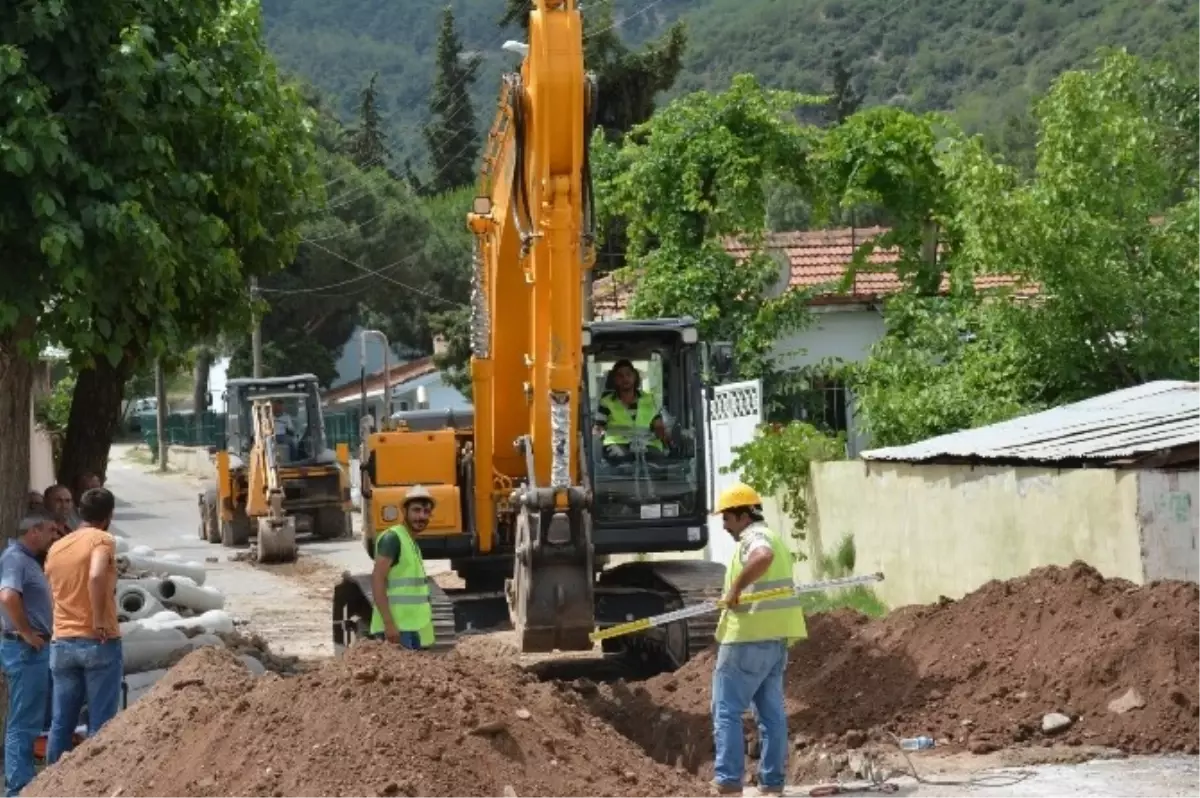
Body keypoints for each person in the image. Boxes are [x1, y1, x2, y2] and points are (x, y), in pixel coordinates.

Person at [708, 483, 807, 796]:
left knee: (726, 710)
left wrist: (735, 589)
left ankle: (727, 782)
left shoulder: (756, 537)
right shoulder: (774, 536)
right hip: (775, 638)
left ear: (742, 516)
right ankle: (772, 784)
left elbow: (762, 557)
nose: (724, 525)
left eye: (726, 518)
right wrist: (733, 590)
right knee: (771, 715)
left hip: (747, 637)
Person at [43, 487, 123, 764]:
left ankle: (52, 786)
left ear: (80, 512)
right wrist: (99, 619)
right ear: (109, 515)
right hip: (97, 641)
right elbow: (97, 574)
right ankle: (97, 783)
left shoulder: (57, 546)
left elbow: (51, 592)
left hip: (62, 642)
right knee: (101, 724)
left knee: (61, 722)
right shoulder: (102, 539)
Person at [0, 514, 56, 797]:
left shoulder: (25, 559)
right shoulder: (15, 559)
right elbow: (8, 596)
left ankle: (24, 781)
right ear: (34, 531)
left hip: (31, 649)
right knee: (22, 722)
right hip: (24, 650)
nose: (54, 537)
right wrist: (26, 632)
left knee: (31, 718)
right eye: (50, 531)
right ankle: (18, 787)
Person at [368, 485, 436, 650]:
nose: (422, 516)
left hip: (413, 628)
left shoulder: (411, 543)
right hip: (397, 631)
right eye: (416, 510)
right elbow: (378, 579)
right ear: (404, 511)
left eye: (426, 512)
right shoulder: (392, 538)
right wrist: (389, 623)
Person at [592, 359, 671, 464]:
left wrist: (664, 434)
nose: (625, 378)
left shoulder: (649, 399)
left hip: (647, 443)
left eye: (628, 374)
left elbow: (658, 425)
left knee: (658, 459)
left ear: (635, 377)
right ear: (615, 380)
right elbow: (599, 426)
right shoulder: (606, 402)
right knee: (619, 458)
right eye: (620, 376)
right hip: (618, 443)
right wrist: (595, 437)